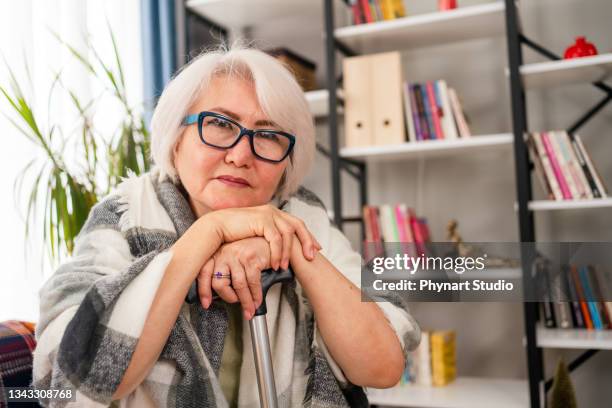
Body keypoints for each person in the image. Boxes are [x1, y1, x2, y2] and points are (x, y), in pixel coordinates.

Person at [32, 44, 420, 407]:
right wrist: (210, 234)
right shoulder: (124, 214)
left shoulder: (307, 218)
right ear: (176, 138)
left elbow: (382, 366)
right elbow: (78, 375)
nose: (240, 155)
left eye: (268, 135)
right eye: (219, 124)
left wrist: (289, 247)